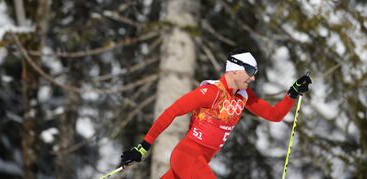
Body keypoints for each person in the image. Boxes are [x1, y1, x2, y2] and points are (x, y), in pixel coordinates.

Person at [119, 49, 312, 178]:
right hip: (187, 156)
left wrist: (292, 93)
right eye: (250, 71)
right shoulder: (210, 93)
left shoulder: (244, 96)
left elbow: (274, 115)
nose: (253, 77)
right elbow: (172, 111)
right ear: (235, 70)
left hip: (199, 161)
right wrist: (143, 147)